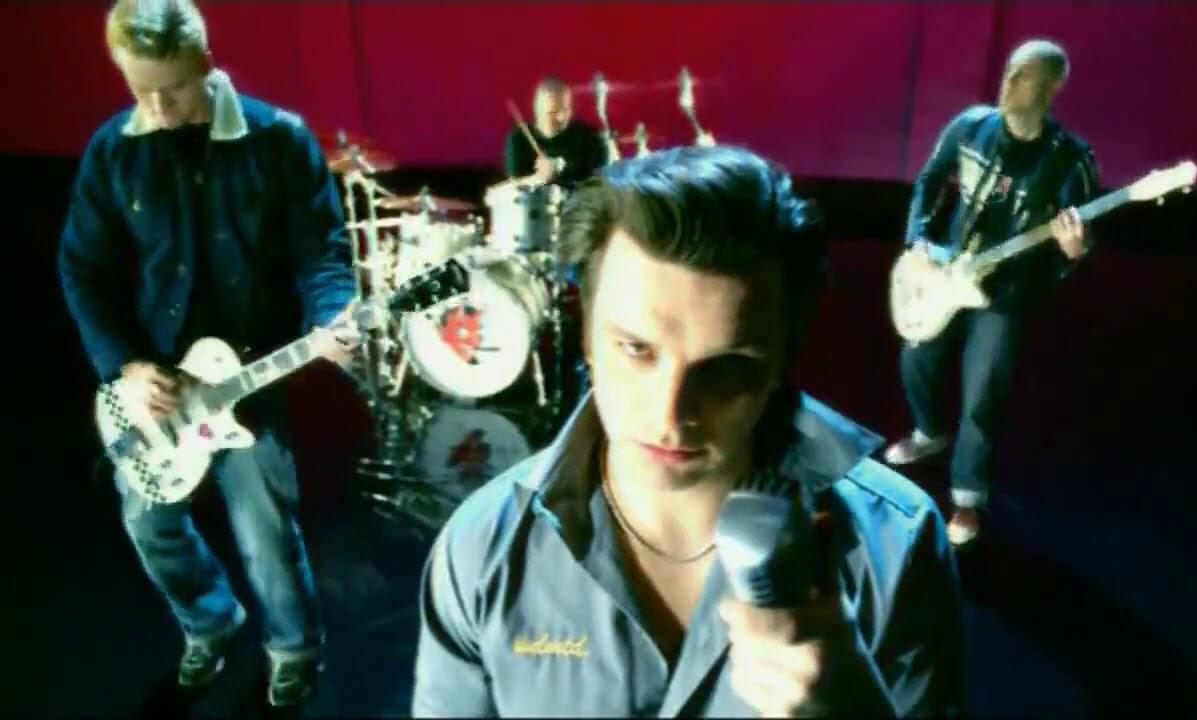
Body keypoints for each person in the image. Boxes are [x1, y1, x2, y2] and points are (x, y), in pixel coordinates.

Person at [412, 145, 964, 717]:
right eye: (636, 349)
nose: (670, 413)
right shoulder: (479, 550)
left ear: (781, 361)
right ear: (587, 338)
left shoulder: (895, 546)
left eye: (724, 367)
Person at [57, 0, 356, 707]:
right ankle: (209, 622)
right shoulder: (113, 150)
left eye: (174, 89)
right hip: (155, 384)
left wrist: (334, 315)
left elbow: (322, 251)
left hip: (253, 375)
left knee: (264, 526)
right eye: (142, 91)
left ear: (206, 65)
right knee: (147, 520)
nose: (159, 109)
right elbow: (84, 269)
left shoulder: (279, 140)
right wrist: (125, 367)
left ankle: (293, 648)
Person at [883, 39, 1101, 546]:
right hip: (948, 267)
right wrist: (918, 241)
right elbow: (929, 181)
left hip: (1006, 292)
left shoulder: (1069, 159)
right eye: (1010, 72)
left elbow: (1079, 242)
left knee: (983, 392)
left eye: (1026, 76)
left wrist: (1075, 249)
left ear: (1053, 87)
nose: (1010, 83)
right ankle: (929, 433)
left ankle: (967, 495)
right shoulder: (970, 126)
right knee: (916, 356)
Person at [503, 76, 609, 189]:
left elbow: (604, 179)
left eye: (566, 110)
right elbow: (515, 185)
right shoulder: (519, 137)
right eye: (552, 113)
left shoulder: (589, 136)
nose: (561, 118)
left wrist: (560, 169)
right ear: (537, 110)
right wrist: (540, 178)